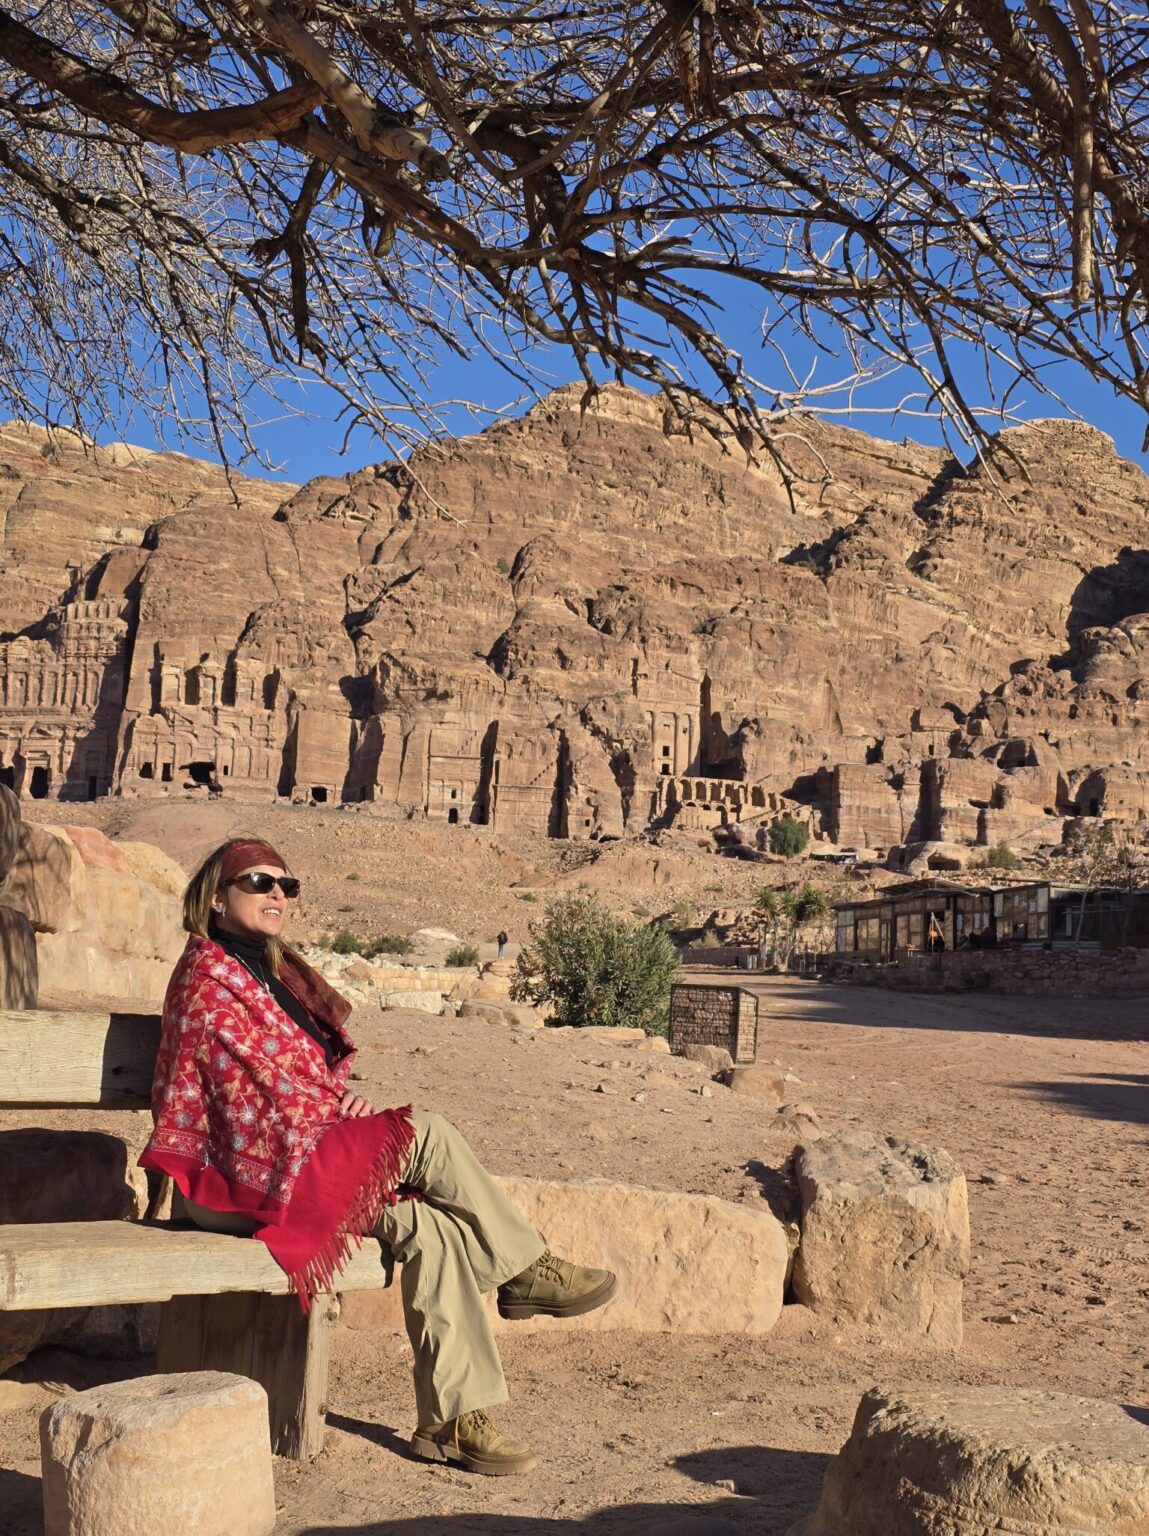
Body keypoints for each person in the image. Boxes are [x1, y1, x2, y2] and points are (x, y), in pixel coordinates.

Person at [140, 838, 615, 1476]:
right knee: (428, 1134)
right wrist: (336, 1115)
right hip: (230, 1180)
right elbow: (245, 1093)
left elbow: (295, 1079)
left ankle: (450, 1421)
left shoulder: (269, 971)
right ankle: (525, 1269)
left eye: (287, 885)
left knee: (433, 1229)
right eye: (258, 882)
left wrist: (336, 1105)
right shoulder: (207, 979)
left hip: (292, 1160)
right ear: (217, 899)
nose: (277, 894)